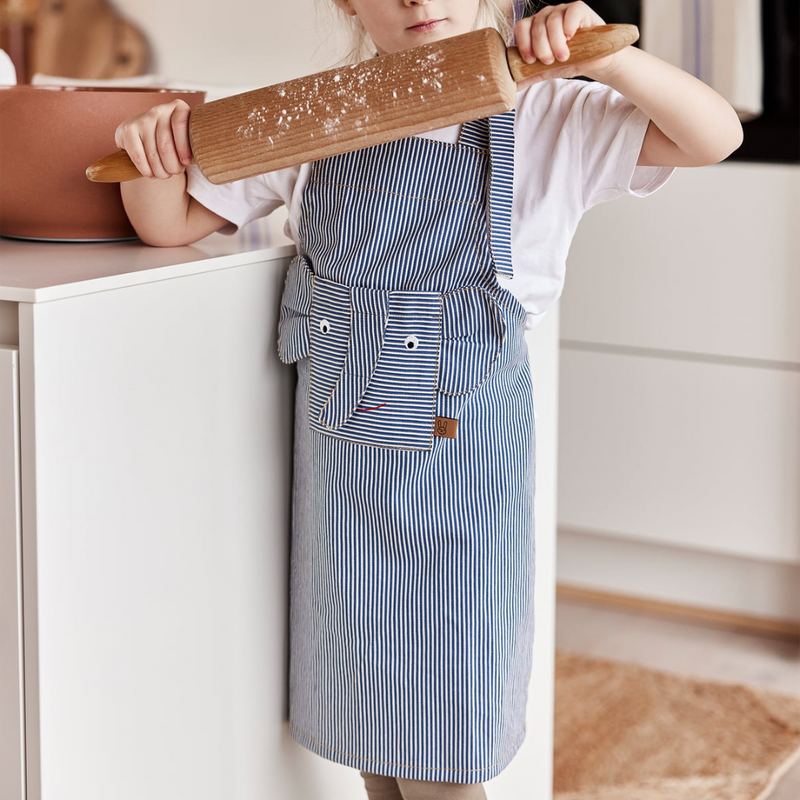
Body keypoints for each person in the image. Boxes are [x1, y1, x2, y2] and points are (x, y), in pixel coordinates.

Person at [114, 2, 743, 798]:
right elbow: (171, 225)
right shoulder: (320, 113)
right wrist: (151, 158)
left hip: (463, 499)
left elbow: (714, 136)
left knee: (446, 747)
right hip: (344, 496)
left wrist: (604, 58)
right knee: (374, 733)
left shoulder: (547, 111)